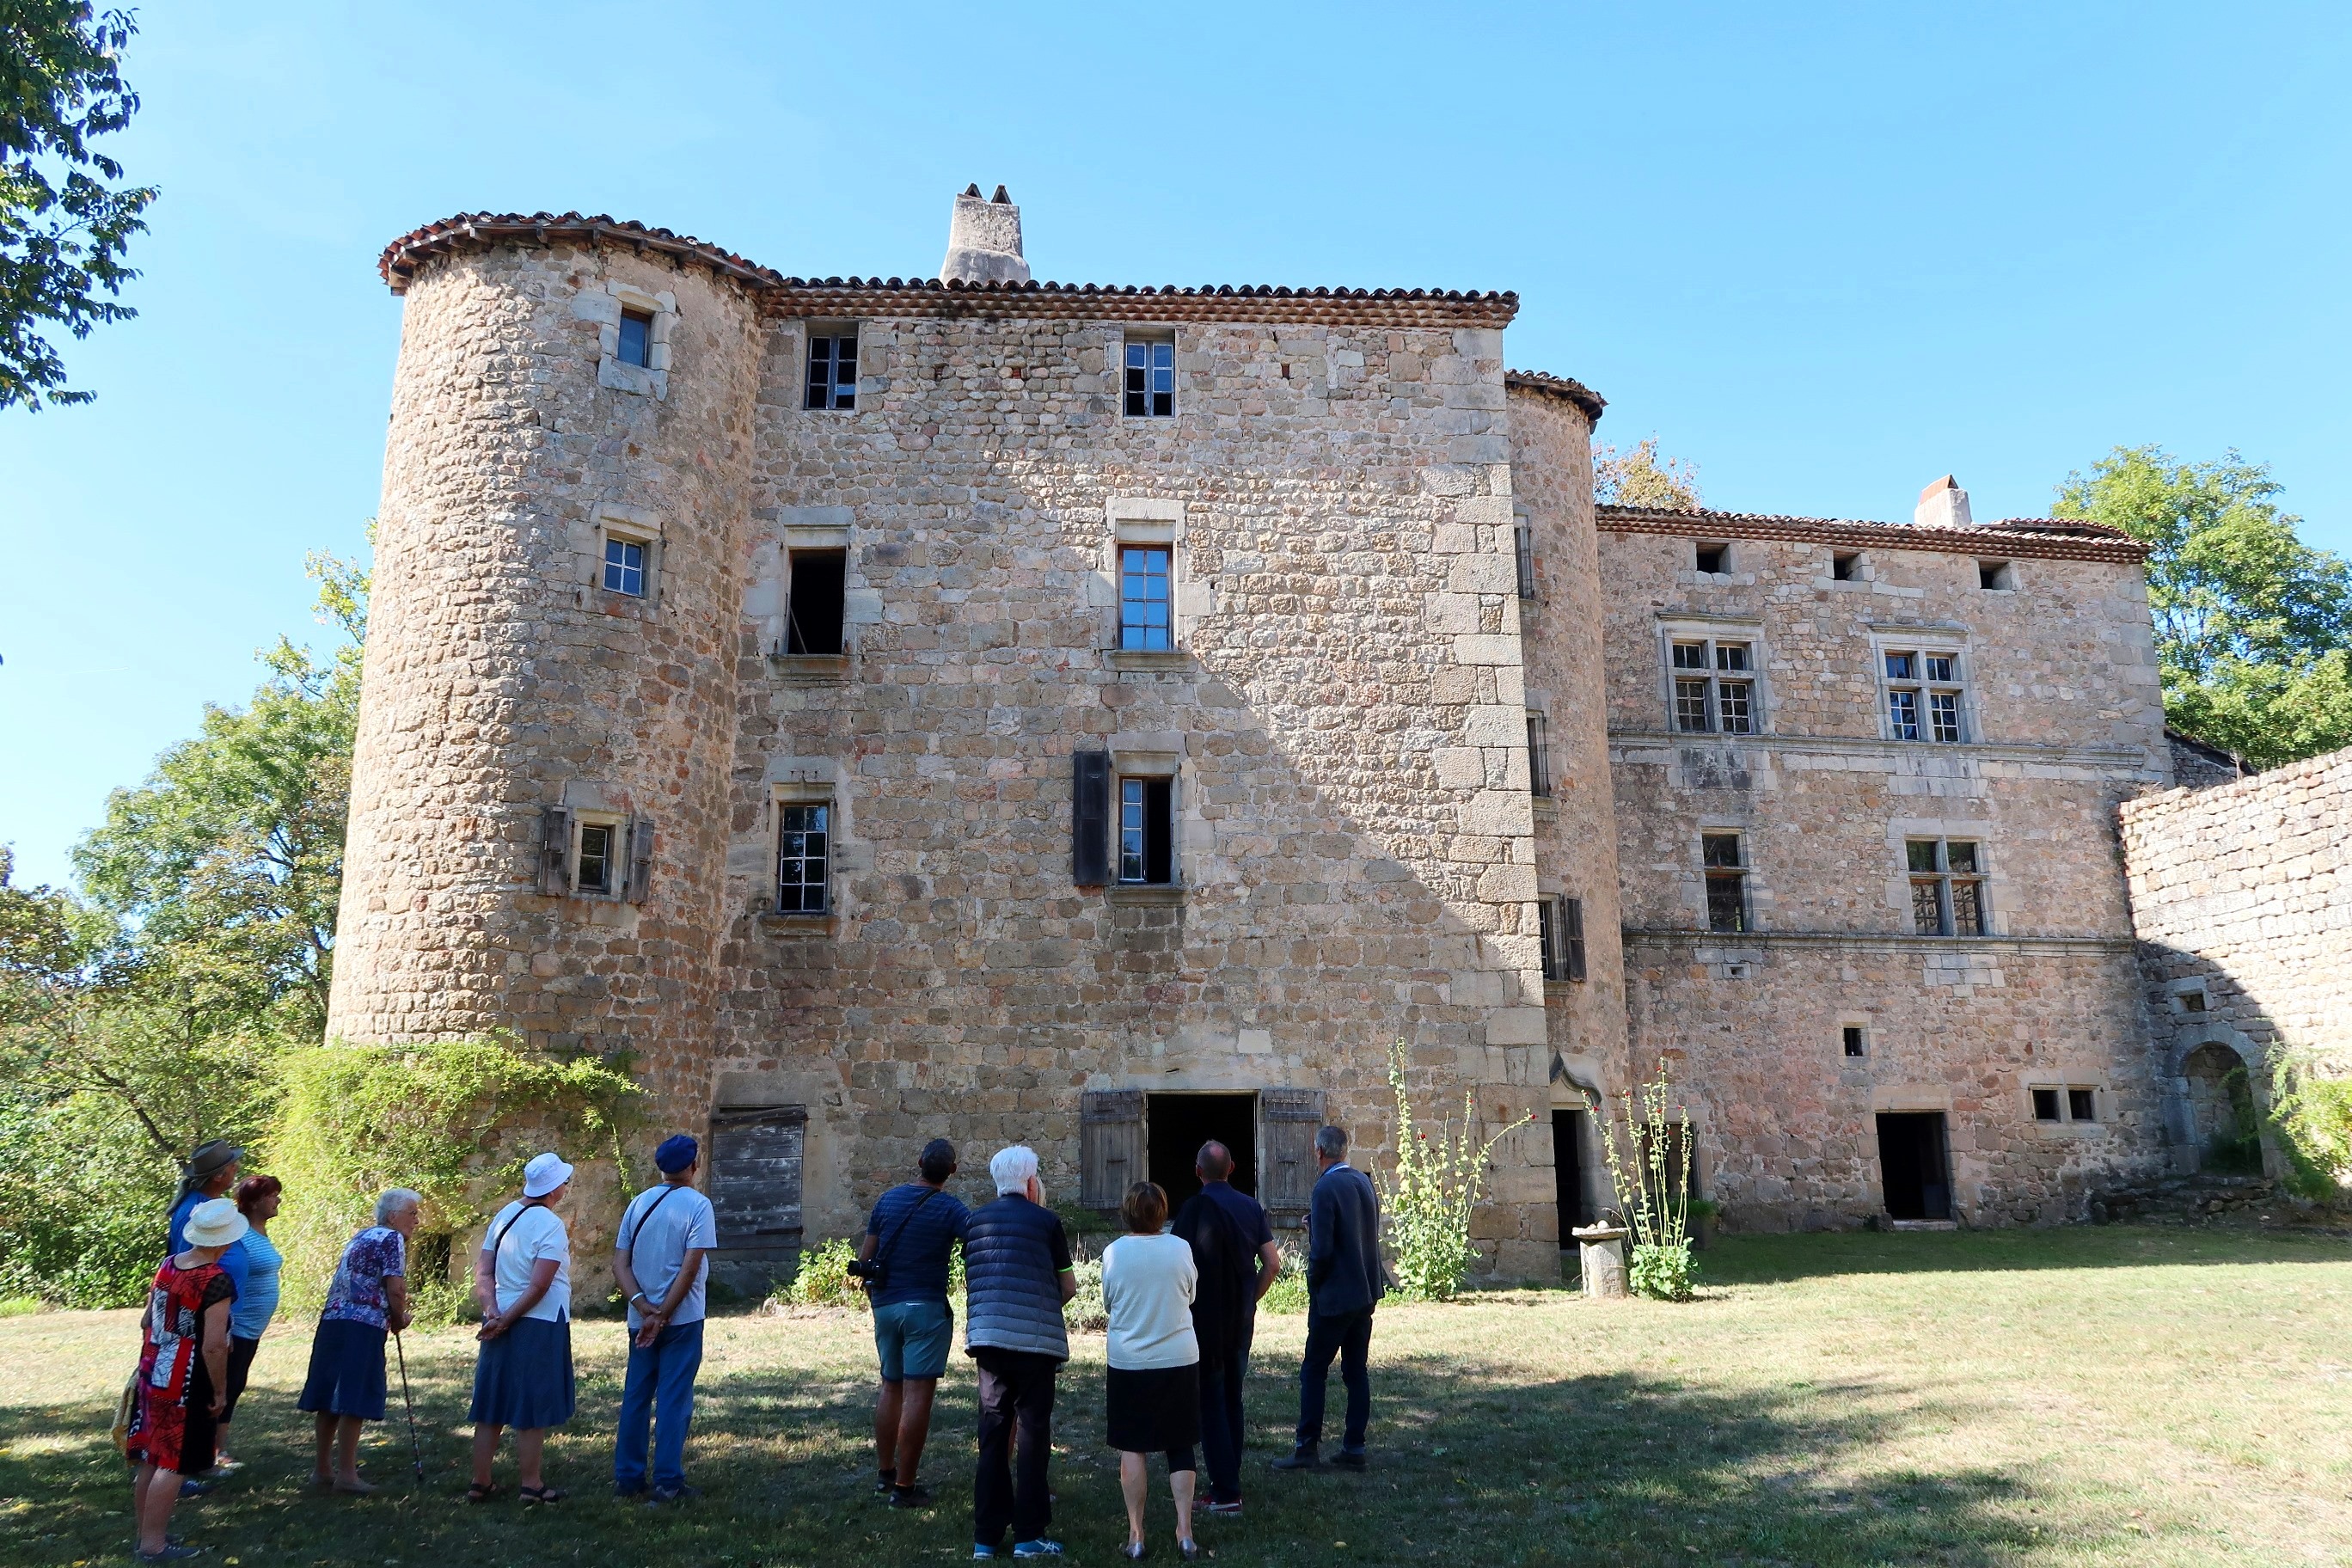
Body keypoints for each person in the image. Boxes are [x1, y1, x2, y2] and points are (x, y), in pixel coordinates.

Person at [963, 1145, 1077, 1559]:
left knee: (993, 1436)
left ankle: (985, 1540)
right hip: (1034, 1344)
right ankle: (1028, 1535)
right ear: (1031, 1182)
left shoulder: (974, 1222)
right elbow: (1068, 1286)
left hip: (989, 1339)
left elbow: (973, 1279)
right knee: (1032, 1434)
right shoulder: (1047, 1222)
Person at [126, 1196, 247, 1561]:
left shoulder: (168, 1266)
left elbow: (148, 1320)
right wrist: (221, 1390)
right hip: (186, 1380)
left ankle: (148, 1535)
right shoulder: (215, 1280)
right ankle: (153, 1546)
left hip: (152, 1370)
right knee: (174, 1462)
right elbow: (212, 1346)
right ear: (225, 1240)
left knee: (152, 1455)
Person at [1169, 1141, 1281, 1516]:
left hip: (1204, 1321)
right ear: (1231, 1168)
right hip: (1239, 1321)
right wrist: (1251, 1301)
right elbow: (1272, 1263)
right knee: (1233, 1396)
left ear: (1197, 1171)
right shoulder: (1250, 1207)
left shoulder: (1191, 1211)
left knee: (1210, 1401)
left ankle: (1226, 1491)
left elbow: (1178, 1269)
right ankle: (1229, 1479)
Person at [860, 1137, 971, 1509]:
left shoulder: (888, 1200)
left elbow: (867, 1255)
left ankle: (885, 1472)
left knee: (890, 1386)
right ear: (952, 1171)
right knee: (918, 1394)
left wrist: (875, 1297)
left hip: (886, 1304)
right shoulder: (952, 1209)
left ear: (919, 1161)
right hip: (925, 1306)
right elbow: (977, 1245)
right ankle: (905, 1488)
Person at [612, 1135, 717, 1504]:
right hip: (683, 1318)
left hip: (639, 1320)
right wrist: (664, 1314)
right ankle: (668, 1480)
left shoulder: (638, 1204)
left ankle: (628, 1476)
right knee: (674, 1398)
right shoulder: (699, 1206)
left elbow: (620, 1263)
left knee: (636, 1395)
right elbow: (690, 1268)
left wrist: (644, 1309)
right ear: (694, 1166)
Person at [1101, 1181, 1202, 1561]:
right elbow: (1191, 1294)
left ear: (1127, 1212)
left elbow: (1109, 1301)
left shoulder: (1113, 1253)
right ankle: (1185, 1531)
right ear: (1162, 1212)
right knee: (1181, 1444)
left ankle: (1136, 1534)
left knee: (1132, 1444)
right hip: (1178, 1356)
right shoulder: (1181, 1248)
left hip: (1129, 1360)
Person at [1274, 1124, 1382, 1473]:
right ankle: (1354, 1446)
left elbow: (1322, 1252)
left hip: (1335, 1295)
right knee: (1356, 1371)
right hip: (1365, 1292)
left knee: (1314, 1370)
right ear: (1344, 1151)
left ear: (1319, 1152)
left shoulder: (1325, 1187)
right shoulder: (1363, 1181)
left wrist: (1311, 1281)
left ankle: (1307, 1446)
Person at [296, 1188, 419, 1493]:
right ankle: (347, 1475)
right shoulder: (392, 1239)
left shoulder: (363, 1235)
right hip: (362, 1325)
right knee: (354, 1394)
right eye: (413, 1213)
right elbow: (396, 1288)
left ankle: (322, 1468)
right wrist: (400, 1318)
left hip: (333, 1320)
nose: (417, 1221)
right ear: (393, 1216)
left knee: (329, 1392)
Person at [471, 1151, 577, 1504]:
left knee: (492, 1401)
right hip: (538, 1322)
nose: (565, 1186)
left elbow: (484, 1271)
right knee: (531, 1405)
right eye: (563, 1181)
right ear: (554, 1189)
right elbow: (539, 1285)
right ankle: (531, 1484)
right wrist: (507, 1318)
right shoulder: (550, 1225)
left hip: (498, 1319)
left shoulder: (504, 1215)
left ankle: (480, 1481)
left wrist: (493, 1313)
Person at [213, 1175, 286, 1472]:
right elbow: (224, 1275)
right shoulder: (238, 1235)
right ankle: (214, 1454)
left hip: (252, 1329)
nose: (278, 1200)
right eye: (272, 1195)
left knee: (235, 1385)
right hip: (236, 1327)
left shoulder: (259, 1233)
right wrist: (225, 1326)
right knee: (226, 1387)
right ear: (254, 1202)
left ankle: (217, 1449)